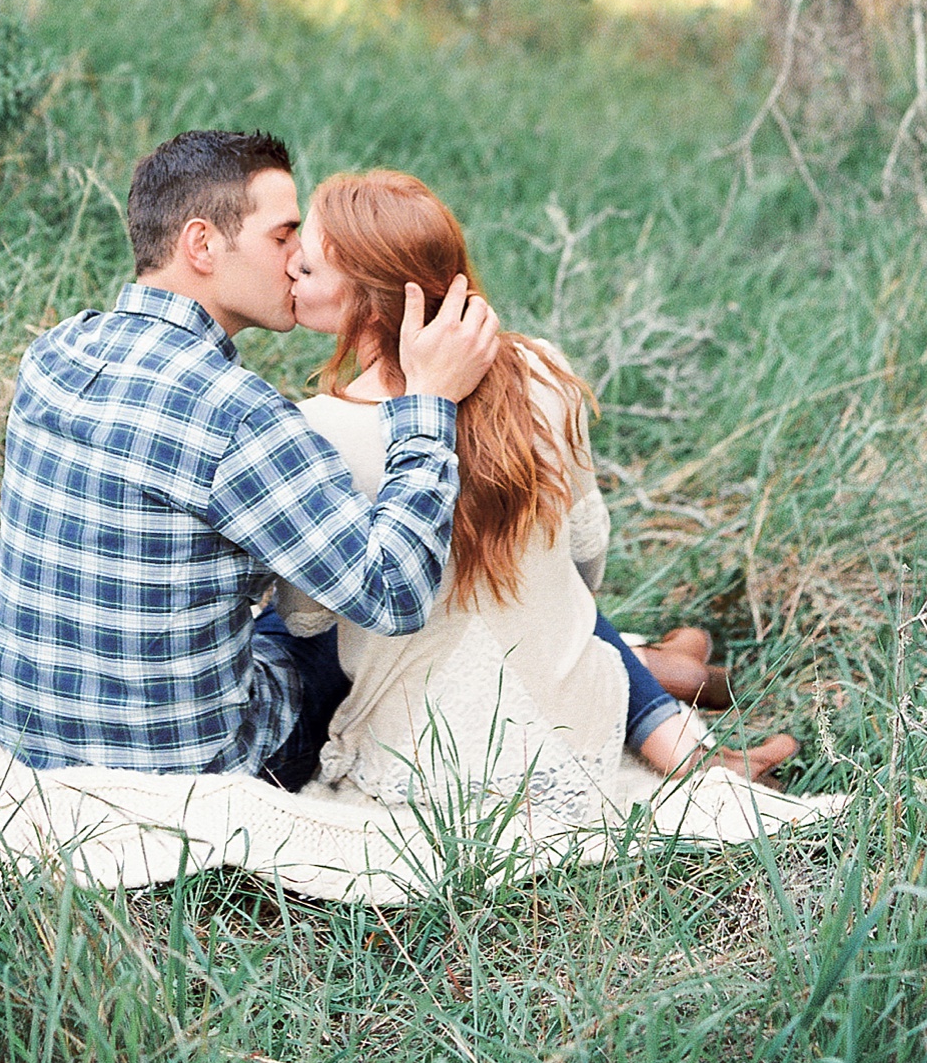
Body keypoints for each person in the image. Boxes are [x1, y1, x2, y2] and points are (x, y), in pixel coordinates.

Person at [0, 129, 501, 781]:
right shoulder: (241, 416)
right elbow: (394, 595)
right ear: (202, 243)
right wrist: (430, 405)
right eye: (282, 236)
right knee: (322, 630)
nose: (301, 259)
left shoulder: (53, 351)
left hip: (9, 719)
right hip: (185, 762)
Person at [280, 170, 799, 806]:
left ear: (373, 298)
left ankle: (672, 669)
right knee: (532, 591)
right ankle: (671, 679)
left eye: (309, 264)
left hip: (416, 747)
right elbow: (586, 556)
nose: (291, 267)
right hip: (568, 713)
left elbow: (308, 620)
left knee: (279, 630)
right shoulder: (541, 372)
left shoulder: (319, 430)